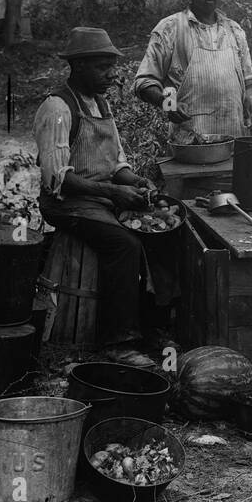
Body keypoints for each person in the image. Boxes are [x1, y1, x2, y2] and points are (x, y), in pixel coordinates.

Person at [35, 28, 154, 353]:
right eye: (103, 67)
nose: (112, 75)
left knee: (158, 233)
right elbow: (56, 180)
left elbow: (117, 162)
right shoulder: (58, 109)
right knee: (124, 245)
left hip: (100, 198)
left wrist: (134, 181)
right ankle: (119, 341)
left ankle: (152, 325)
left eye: (112, 66)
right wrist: (115, 193)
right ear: (79, 66)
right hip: (66, 205)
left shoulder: (101, 104)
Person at [133, 0, 252, 143]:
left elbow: (250, 83)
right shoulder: (170, 28)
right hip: (189, 144)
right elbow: (144, 82)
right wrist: (169, 104)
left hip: (234, 142)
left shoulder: (235, 31)